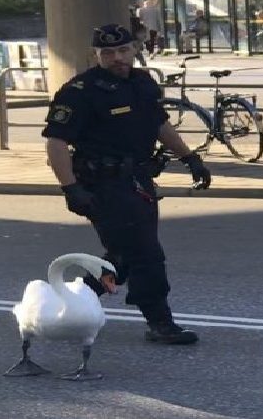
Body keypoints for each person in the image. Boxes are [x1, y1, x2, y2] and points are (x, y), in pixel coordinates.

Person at [42, 23, 211, 345]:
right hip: (102, 185)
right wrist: (70, 188)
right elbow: (56, 143)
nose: (117, 58)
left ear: (135, 49)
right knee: (146, 254)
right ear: (96, 55)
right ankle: (160, 321)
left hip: (137, 181)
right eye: (107, 53)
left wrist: (190, 158)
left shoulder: (142, 83)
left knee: (121, 256)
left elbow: (159, 125)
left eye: (123, 50)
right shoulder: (80, 91)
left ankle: (74, 302)